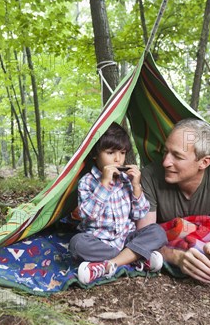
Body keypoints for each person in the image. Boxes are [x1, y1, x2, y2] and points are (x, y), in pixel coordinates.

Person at [136, 118, 210, 283]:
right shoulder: (149, 176)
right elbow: (142, 239)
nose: (165, 162)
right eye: (165, 152)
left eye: (177, 156)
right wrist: (176, 257)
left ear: (204, 162)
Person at [70, 122, 168, 285]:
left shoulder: (126, 181)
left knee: (158, 232)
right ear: (95, 154)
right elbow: (87, 216)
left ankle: (107, 265)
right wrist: (104, 185)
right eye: (110, 152)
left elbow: (139, 215)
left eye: (122, 153)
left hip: (126, 238)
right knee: (77, 244)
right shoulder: (86, 182)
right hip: (99, 241)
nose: (118, 159)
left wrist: (136, 186)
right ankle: (135, 258)